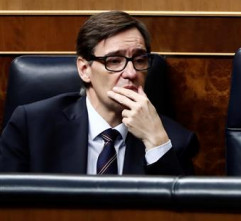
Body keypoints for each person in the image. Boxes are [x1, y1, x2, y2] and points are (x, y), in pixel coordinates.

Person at [0, 11, 198, 175]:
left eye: (140, 60)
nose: (131, 73)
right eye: (114, 61)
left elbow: (179, 220)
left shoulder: (173, 140)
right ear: (85, 69)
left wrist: (156, 143)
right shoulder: (32, 126)